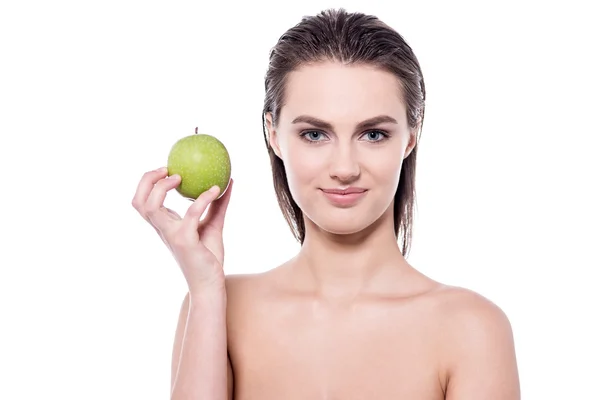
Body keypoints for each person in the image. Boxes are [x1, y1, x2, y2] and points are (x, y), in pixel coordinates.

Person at [132, 8, 520, 400]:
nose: (345, 168)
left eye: (373, 134)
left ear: (410, 136)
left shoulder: (472, 330)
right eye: (315, 134)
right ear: (274, 135)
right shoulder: (216, 307)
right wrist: (206, 289)